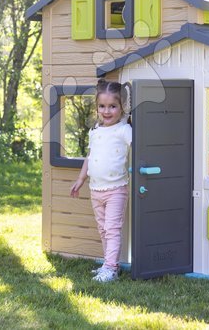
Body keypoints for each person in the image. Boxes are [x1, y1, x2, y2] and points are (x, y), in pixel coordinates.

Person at [70, 79, 132, 283]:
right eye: (102, 106)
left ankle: (111, 268)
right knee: (103, 229)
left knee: (112, 229)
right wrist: (80, 179)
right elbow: (90, 157)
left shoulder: (124, 130)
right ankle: (108, 265)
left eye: (113, 106)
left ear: (122, 107)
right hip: (95, 189)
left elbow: (140, 146)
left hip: (116, 189)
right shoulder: (95, 132)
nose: (107, 111)